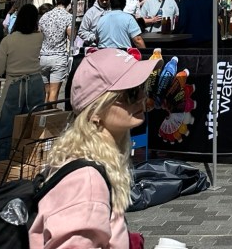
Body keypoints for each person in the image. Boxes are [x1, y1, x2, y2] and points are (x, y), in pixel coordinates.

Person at [28, 47, 158, 249]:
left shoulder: (90, 161)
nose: (142, 97)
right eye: (131, 93)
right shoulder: (87, 181)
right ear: (95, 111)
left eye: (142, 87)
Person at [0, 3, 44, 187]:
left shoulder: (8, 41)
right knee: (30, 132)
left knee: (3, 134)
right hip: (36, 84)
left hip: (14, 86)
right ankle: (25, 175)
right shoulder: (39, 37)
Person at [39, 0, 72, 104]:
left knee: (46, 93)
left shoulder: (45, 16)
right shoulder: (68, 17)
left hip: (43, 57)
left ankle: (42, 114)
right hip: (58, 57)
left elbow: (39, 34)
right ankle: (51, 114)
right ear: (69, 2)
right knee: (54, 93)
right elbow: (71, 36)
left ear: (56, 0)